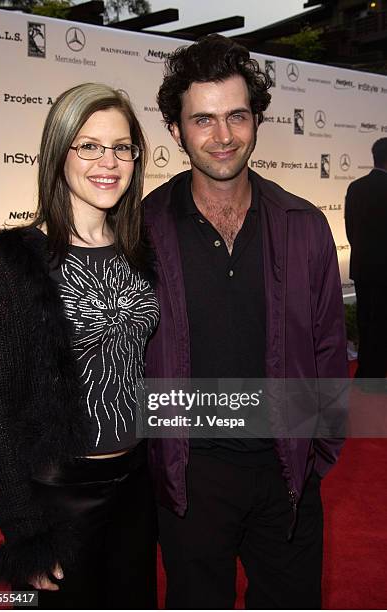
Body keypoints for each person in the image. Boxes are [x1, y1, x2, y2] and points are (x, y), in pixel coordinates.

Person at [143, 35, 348, 609]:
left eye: (236, 115)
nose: (223, 135)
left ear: (257, 119)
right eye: (202, 119)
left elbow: (330, 347)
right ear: (176, 129)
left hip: (285, 477)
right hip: (190, 480)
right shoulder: (144, 230)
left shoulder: (303, 224)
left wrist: (315, 456)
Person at [0, 83, 159, 610]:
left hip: (137, 487)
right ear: (59, 154)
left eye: (122, 147)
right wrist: (24, 529)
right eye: (89, 145)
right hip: (58, 497)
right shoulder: (14, 266)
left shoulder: (142, 255)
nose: (109, 161)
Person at [345, 138, 387, 383]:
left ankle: (365, 371)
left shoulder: (355, 187)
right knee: (382, 322)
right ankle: (376, 374)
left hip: (362, 267)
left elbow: (350, 230)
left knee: (365, 319)